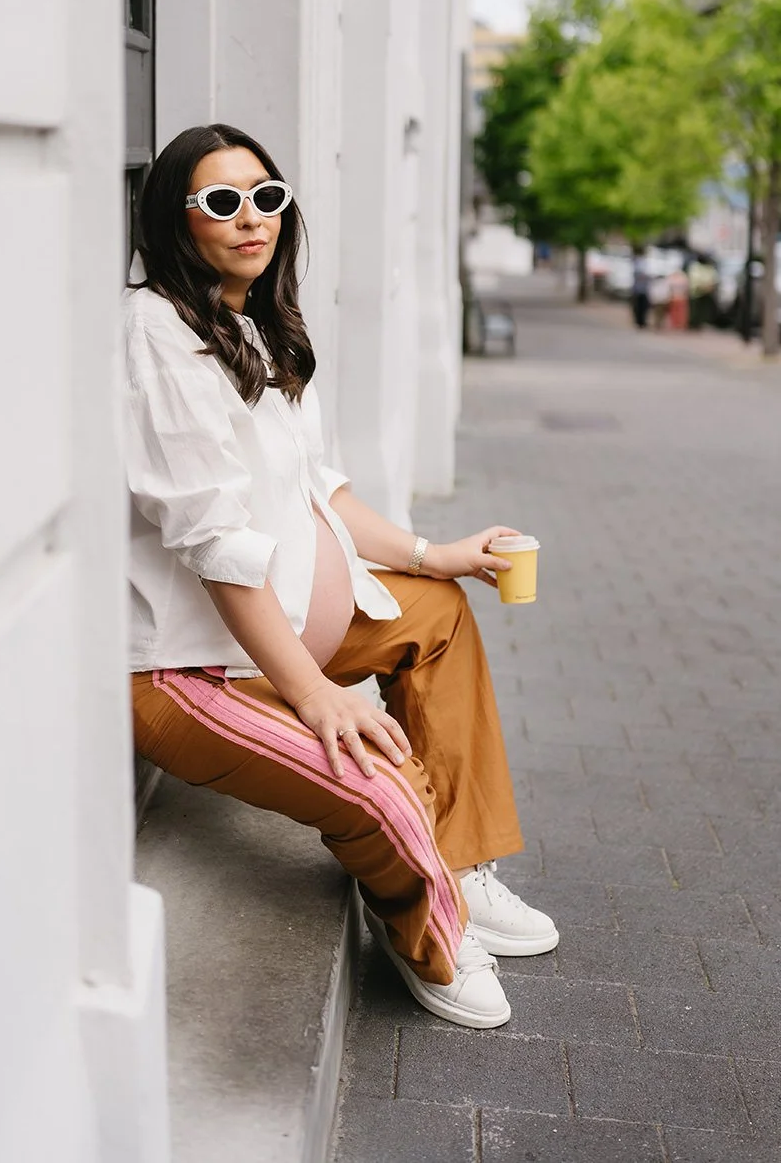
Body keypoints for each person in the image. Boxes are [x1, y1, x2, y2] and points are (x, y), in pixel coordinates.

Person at [126, 123, 558, 1030]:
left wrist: (434, 555)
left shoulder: (253, 319)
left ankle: (460, 865)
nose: (252, 219)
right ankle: (429, 935)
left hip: (291, 624)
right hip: (190, 665)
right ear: (177, 219)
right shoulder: (158, 333)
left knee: (435, 611)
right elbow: (212, 543)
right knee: (376, 780)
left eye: (267, 197)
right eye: (222, 202)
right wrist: (318, 694)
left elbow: (323, 489)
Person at [630, 249, 650, 329]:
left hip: (643, 290)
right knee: (638, 307)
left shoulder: (645, 263)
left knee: (643, 307)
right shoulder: (638, 263)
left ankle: (642, 321)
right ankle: (639, 321)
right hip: (639, 290)